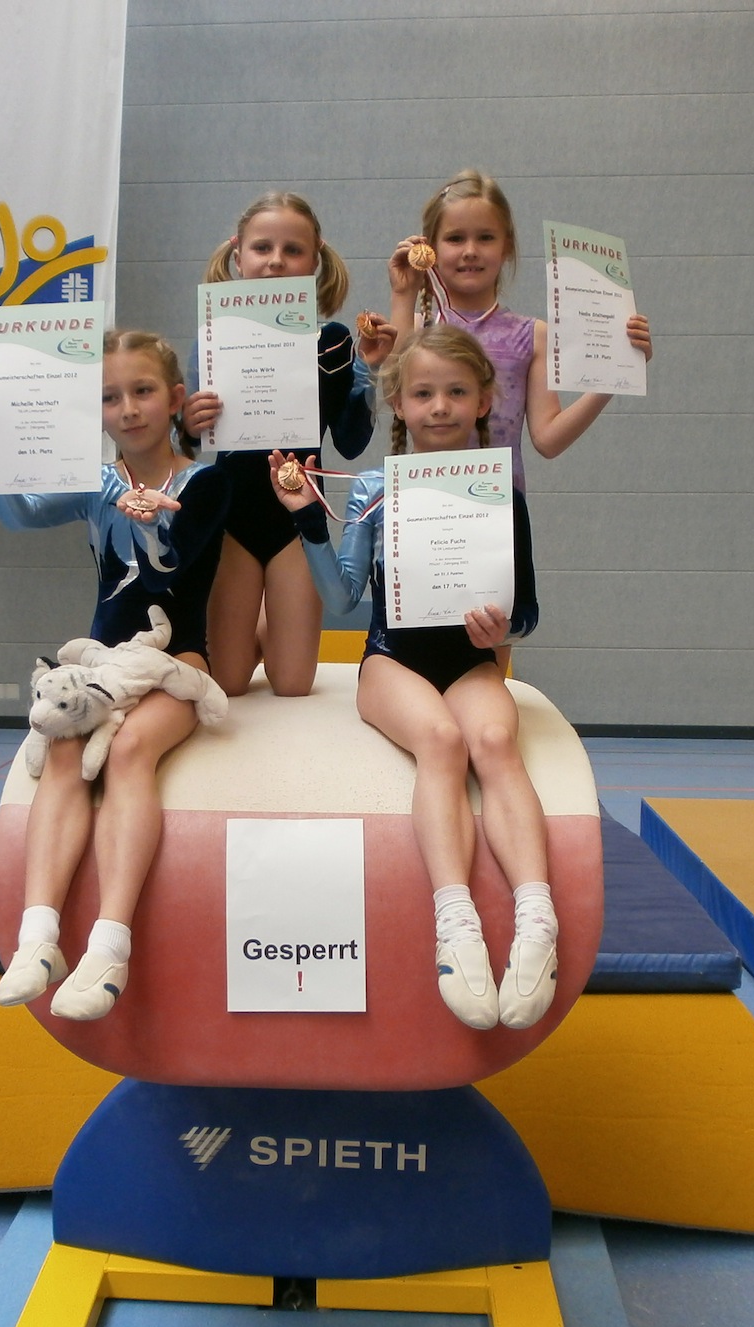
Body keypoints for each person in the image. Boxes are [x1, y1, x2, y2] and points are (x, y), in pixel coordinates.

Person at [270, 324, 557, 1031]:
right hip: (391, 661)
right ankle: (455, 923)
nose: (440, 406)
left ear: (484, 399)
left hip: (469, 661)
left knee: (494, 741)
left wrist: (504, 629)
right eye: (424, 393)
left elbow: (527, 611)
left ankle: (537, 919)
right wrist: (309, 521)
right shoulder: (374, 488)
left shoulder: (499, 491)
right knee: (440, 740)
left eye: (457, 392)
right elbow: (343, 600)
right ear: (398, 403)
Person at [0, 330, 231, 1021]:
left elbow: (175, 567)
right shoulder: (98, 484)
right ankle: (38, 938)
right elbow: (20, 515)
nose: (127, 409)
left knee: (127, 752)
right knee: (66, 754)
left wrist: (154, 521)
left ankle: (110, 944)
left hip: (176, 660)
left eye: (143, 391)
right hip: (99, 663)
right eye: (109, 397)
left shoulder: (204, 483)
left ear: (176, 399)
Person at [183, 192, 398, 698]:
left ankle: (268, 625)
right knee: (228, 682)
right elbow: (189, 443)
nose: (276, 260)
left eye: (293, 250)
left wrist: (367, 370)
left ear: (315, 259)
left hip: (298, 518)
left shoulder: (335, 341)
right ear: (238, 254)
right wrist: (188, 424)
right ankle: (258, 624)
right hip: (232, 519)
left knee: (293, 683)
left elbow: (351, 443)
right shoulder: (214, 337)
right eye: (262, 248)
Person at [386, 169, 652, 490]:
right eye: (455, 238)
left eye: (485, 237)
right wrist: (403, 295)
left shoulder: (532, 335)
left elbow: (548, 440)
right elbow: (392, 397)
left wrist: (613, 374)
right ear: (430, 248)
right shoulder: (418, 328)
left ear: (507, 246)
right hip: (423, 502)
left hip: (504, 508)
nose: (470, 250)